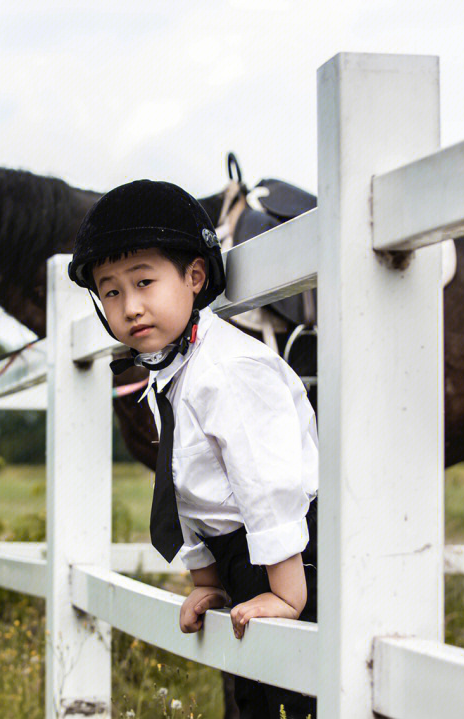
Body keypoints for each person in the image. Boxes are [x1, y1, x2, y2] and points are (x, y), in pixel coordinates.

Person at [67, 179, 319, 719]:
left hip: (289, 556)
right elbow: (184, 491)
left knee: (295, 696)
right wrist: (207, 578)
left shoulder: (228, 371)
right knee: (250, 693)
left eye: (144, 282)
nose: (130, 306)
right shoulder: (169, 373)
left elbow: (267, 487)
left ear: (194, 277)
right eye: (111, 292)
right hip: (238, 557)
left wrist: (287, 593)